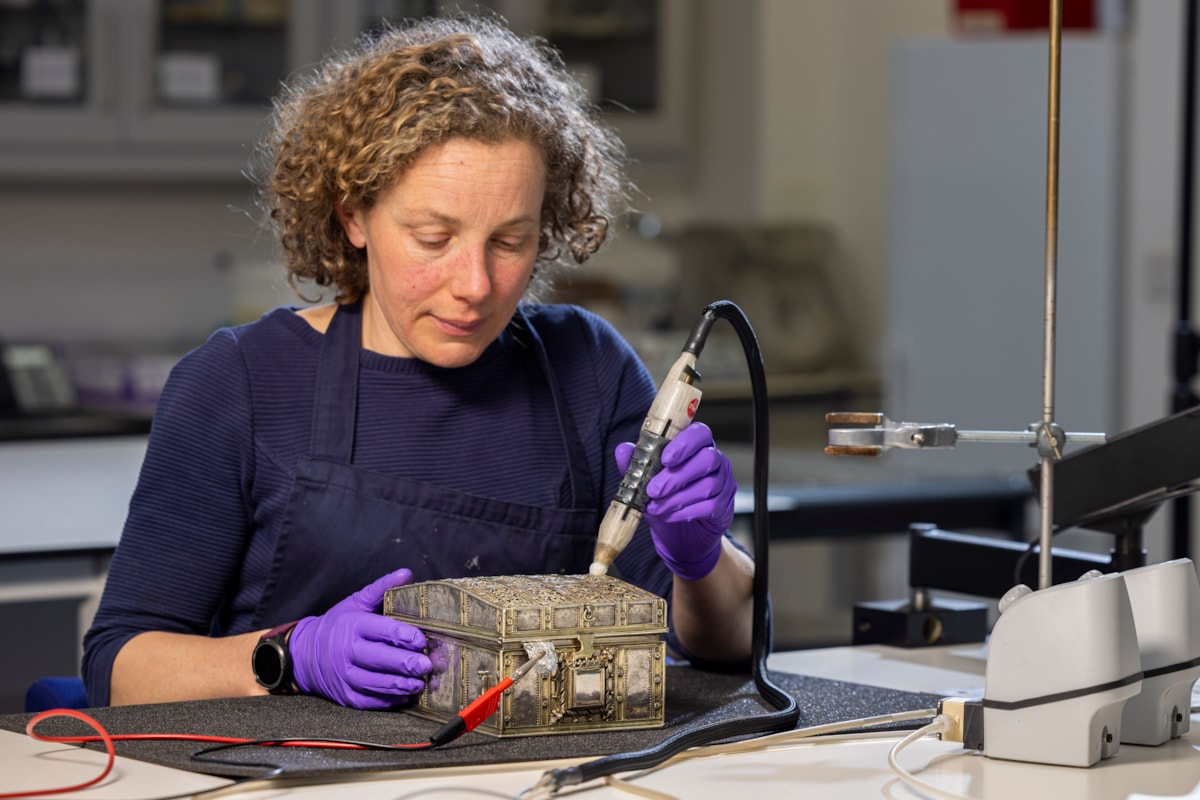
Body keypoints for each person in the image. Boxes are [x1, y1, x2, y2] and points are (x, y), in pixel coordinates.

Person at [82, 13, 755, 710]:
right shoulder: (243, 382)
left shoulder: (586, 368)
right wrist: (291, 655)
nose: (474, 284)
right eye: (433, 237)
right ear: (353, 217)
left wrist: (702, 561)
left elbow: (722, 642)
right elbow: (120, 664)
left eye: (510, 241)